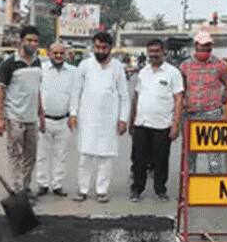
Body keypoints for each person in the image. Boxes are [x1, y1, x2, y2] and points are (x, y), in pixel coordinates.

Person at [69, 32, 130, 203]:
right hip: (87, 118)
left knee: (106, 157)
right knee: (85, 156)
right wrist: (73, 113)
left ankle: (102, 190)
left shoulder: (117, 67)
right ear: (93, 47)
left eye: (104, 47)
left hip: (109, 120)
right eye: (97, 47)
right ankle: (83, 190)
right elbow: (76, 92)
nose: (100, 51)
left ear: (110, 48)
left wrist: (123, 118)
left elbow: (124, 96)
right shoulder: (85, 65)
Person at [129, 39, 184, 202]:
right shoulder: (143, 72)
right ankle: (137, 189)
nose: (153, 54)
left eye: (156, 51)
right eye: (151, 51)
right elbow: (136, 97)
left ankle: (160, 190)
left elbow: (178, 99)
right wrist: (132, 120)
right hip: (141, 123)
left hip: (162, 124)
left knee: (161, 160)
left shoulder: (173, 73)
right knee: (138, 159)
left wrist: (175, 125)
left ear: (163, 52)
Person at [0, 26, 45, 199]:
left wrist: (41, 115)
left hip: (32, 118)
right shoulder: (9, 64)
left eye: (35, 41)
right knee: (15, 154)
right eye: (29, 40)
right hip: (14, 117)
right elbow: (0, 91)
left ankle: (25, 186)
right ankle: (18, 190)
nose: (33, 44)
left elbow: (36, 91)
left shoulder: (38, 63)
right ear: (21, 41)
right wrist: (0, 119)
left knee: (30, 155)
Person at [179, 31, 227, 173]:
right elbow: (179, 89)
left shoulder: (220, 65)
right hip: (190, 114)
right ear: (196, 45)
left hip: (212, 114)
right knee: (190, 153)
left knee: (214, 151)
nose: (205, 50)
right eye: (202, 46)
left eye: (208, 47)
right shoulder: (185, 66)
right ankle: (188, 185)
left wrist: (221, 102)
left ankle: (215, 182)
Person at [36, 42, 75, 198]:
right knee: (42, 154)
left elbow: (74, 95)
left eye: (61, 53)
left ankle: (57, 184)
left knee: (61, 154)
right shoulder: (41, 70)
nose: (58, 56)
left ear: (65, 54)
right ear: (48, 53)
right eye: (55, 53)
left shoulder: (73, 72)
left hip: (64, 120)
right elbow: (36, 93)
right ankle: (42, 184)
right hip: (44, 119)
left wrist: (73, 115)